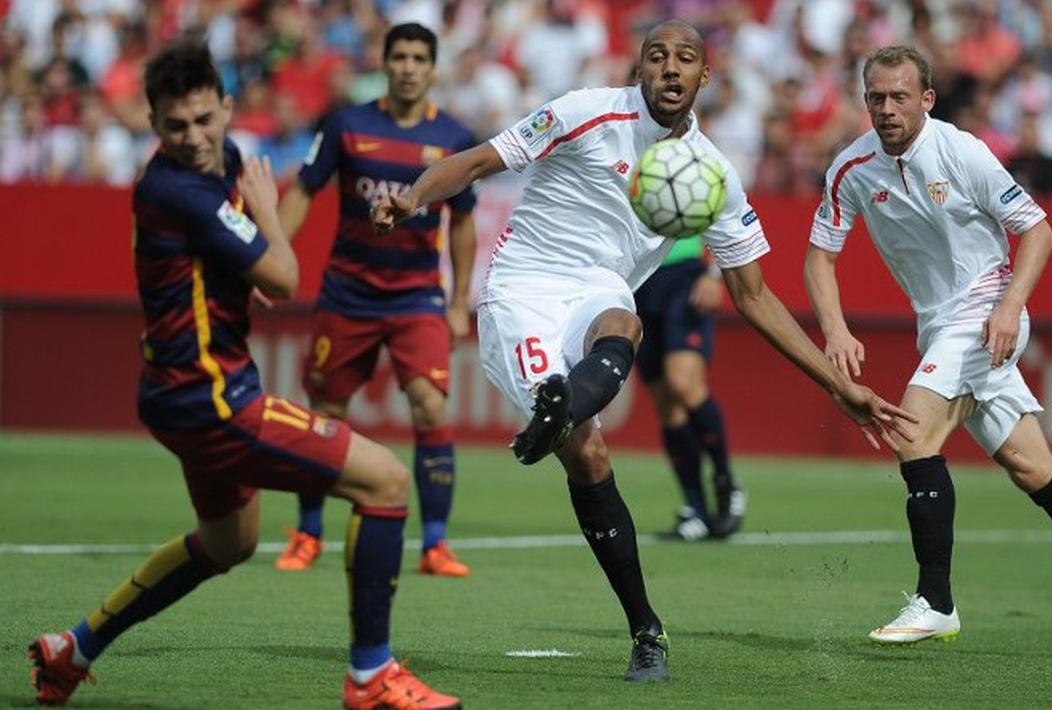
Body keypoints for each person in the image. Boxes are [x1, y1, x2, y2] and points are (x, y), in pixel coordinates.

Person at [373, 20, 917, 682]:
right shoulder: (584, 113)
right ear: (639, 68)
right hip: (521, 291)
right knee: (590, 454)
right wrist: (413, 196)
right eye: (656, 56)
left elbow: (755, 297)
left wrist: (837, 384)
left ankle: (639, 617)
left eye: (684, 58)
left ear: (703, 77)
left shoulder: (711, 174)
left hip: (598, 292)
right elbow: (479, 160)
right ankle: (571, 438)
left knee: (621, 323)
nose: (669, 68)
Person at [27, 42, 460, 710]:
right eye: (176, 127)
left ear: (226, 106)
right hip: (211, 400)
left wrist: (250, 233)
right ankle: (370, 677)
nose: (194, 138)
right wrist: (264, 209)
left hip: (179, 392)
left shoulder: (214, 163)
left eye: (204, 119)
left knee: (230, 541)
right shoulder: (178, 189)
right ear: (153, 125)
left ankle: (73, 648)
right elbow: (283, 278)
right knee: (385, 481)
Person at [805, 45, 1052, 658]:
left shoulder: (963, 152)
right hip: (940, 326)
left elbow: (1037, 229)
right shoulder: (851, 167)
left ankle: (936, 602)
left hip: (984, 315)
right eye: (877, 97)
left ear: (927, 99)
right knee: (1036, 471)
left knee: (912, 435)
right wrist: (835, 328)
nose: (888, 109)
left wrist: (1008, 309)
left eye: (901, 97)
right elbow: (819, 256)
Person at [274, 23, 477, 578]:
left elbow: (463, 224)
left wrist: (460, 301)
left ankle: (435, 544)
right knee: (326, 414)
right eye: (400, 56)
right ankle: (309, 533)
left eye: (419, 58)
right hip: (348, 294)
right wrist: (266, 257)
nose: (409, 66)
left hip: (416, 298)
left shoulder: (456, 139)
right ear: (384, 64)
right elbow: (304, 191)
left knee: (430, 405)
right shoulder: (347, 124)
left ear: (433, 68)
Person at [632, 236, 745, 541]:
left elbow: (727, 216)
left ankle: (725, 482)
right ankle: (696, 509)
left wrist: (714, 274)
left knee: (683, 383)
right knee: (666, 404)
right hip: (636, 279)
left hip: (683, 276)